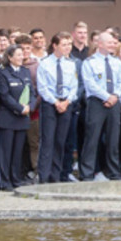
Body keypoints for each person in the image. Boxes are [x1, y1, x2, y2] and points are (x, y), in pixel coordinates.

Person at [79, 32, 121, 181]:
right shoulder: (90, 62)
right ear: (100, 44)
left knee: (113, 139)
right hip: (96, 103)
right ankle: (87, 173)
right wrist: (106, 97)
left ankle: (114, 172)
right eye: (110, 43)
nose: (113, 45)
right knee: (92, 138)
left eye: (114, 43)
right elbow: (90, 84)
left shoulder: (116, 62)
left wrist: (115, 96)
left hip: (114, 103)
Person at [36, 33, 79, 184]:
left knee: (61, 141)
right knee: (48, 140)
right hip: (50, 104)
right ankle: (44, 175)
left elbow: (74, 86)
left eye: (69, 44)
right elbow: (42, 87)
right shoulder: (45, 63)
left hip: (66, 103)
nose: (68, 47)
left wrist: (67, 101)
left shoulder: (71, 64)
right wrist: (55, 102)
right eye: (64, 44)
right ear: (55, 45)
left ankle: (56, 174)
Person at [0, 45, 36, 190]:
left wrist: (30, 106)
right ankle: (5, 181)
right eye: (18, 55)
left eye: (22, 54)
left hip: (23, 118)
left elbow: (32, 92)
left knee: (18, 151)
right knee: (6, 152)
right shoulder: (2, 73)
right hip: (8, 117)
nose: (21, 57)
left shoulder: (25, 72)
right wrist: (20, 108)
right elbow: (4, 95)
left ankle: (15, 179)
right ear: (10, 57)